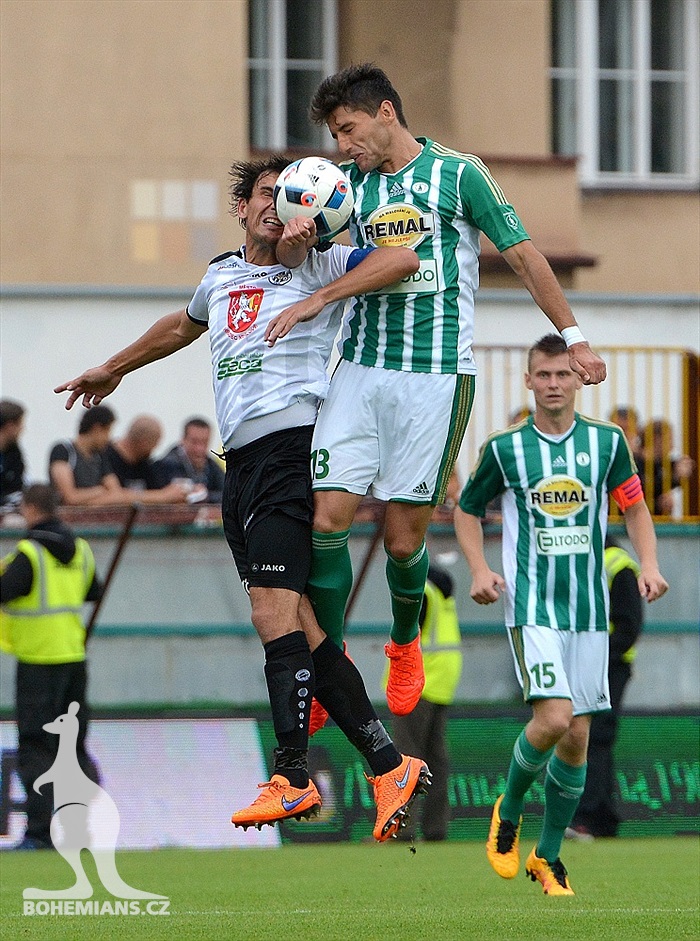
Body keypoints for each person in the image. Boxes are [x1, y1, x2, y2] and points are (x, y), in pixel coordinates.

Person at [54, 156, 431, 841]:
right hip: (243, 468)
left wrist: (318, 289)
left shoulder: (320, 260)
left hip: (291, 450)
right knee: (300, 625)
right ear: (243, 207)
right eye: (266, 193)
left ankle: (292, 775)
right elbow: (181, 325)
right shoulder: (221, 274)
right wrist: (113, 367)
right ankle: (388, 764)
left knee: (269, 612)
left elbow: (402, 260)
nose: (277, 204)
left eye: (288, 195)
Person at [279, 63, 606, 721]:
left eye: (348, 129)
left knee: (403, 542)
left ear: (386, 113)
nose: (343, 144)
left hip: (435, 377)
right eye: (336, 135)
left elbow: (524, 255)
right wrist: (295, 245)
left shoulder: (459, 174)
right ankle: (330, 665)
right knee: (326, 520)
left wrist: (573, 337)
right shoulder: (346, 189)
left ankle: (405, 642)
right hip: (360, 370)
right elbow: (305, 262)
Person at [454, 333, 667, 896]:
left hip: (590, 612)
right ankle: (509, 808)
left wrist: (648, 563)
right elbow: (467, 510)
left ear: (578, 380)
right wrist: (479, 569)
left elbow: (635, 507)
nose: (553, 384)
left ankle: (547, 856)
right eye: (543, 375)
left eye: (562, 375)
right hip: (533, 607)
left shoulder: (606, 442)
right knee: (552, 719)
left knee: (575, 737)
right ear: (528, 381)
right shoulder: (506, 449)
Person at [0, 483, 103, 850]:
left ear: (30, 509)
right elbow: (93, 591)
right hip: (73, 658)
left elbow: (5, 590)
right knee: (73, 746)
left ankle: (39, 832)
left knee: (36, 745)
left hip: (38, 661)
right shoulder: (81, 549)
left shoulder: (29, 553)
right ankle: (82, 829)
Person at [567, 536, 643, 840]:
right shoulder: (591, 561)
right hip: (593, 661)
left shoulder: (616, 565)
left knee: (594, 737)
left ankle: (587, 817)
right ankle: (602, 818)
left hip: (609, 664)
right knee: (594, 738)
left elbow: (629, 626)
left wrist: (597, 655)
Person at [389, 563, 463, 842]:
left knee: (405, 757)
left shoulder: (419, 591)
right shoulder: (441, 589)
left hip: (415, 682)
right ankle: (435, 827)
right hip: (442, 680)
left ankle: (400, 828)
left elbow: (406, 634)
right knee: (435, 759)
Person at [106, 414, 194, 504]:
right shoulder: (105, 458)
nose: (153, 449)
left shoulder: (145, 464)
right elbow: (114, 496)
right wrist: (162, 496)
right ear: (144, 442)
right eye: (154, 444)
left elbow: (161, 489)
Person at [159, 416, 225, 504]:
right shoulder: (164, 466)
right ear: (183, 440)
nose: (199, 449)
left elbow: (227, 493)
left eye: (204, 442)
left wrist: (206, 495)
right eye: (194, 442)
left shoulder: (212, 466)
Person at [637, 418, 695, 516]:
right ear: (656, 439)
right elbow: (643, 491)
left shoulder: (665, 464)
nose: (672, 446)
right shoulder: (634, 463)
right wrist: (675, 478)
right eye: (669, 439)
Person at [0, 399, 27, 511]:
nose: (23, 429)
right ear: (10, 426)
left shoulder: (14, 452)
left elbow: (17, 485)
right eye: (20, 424)